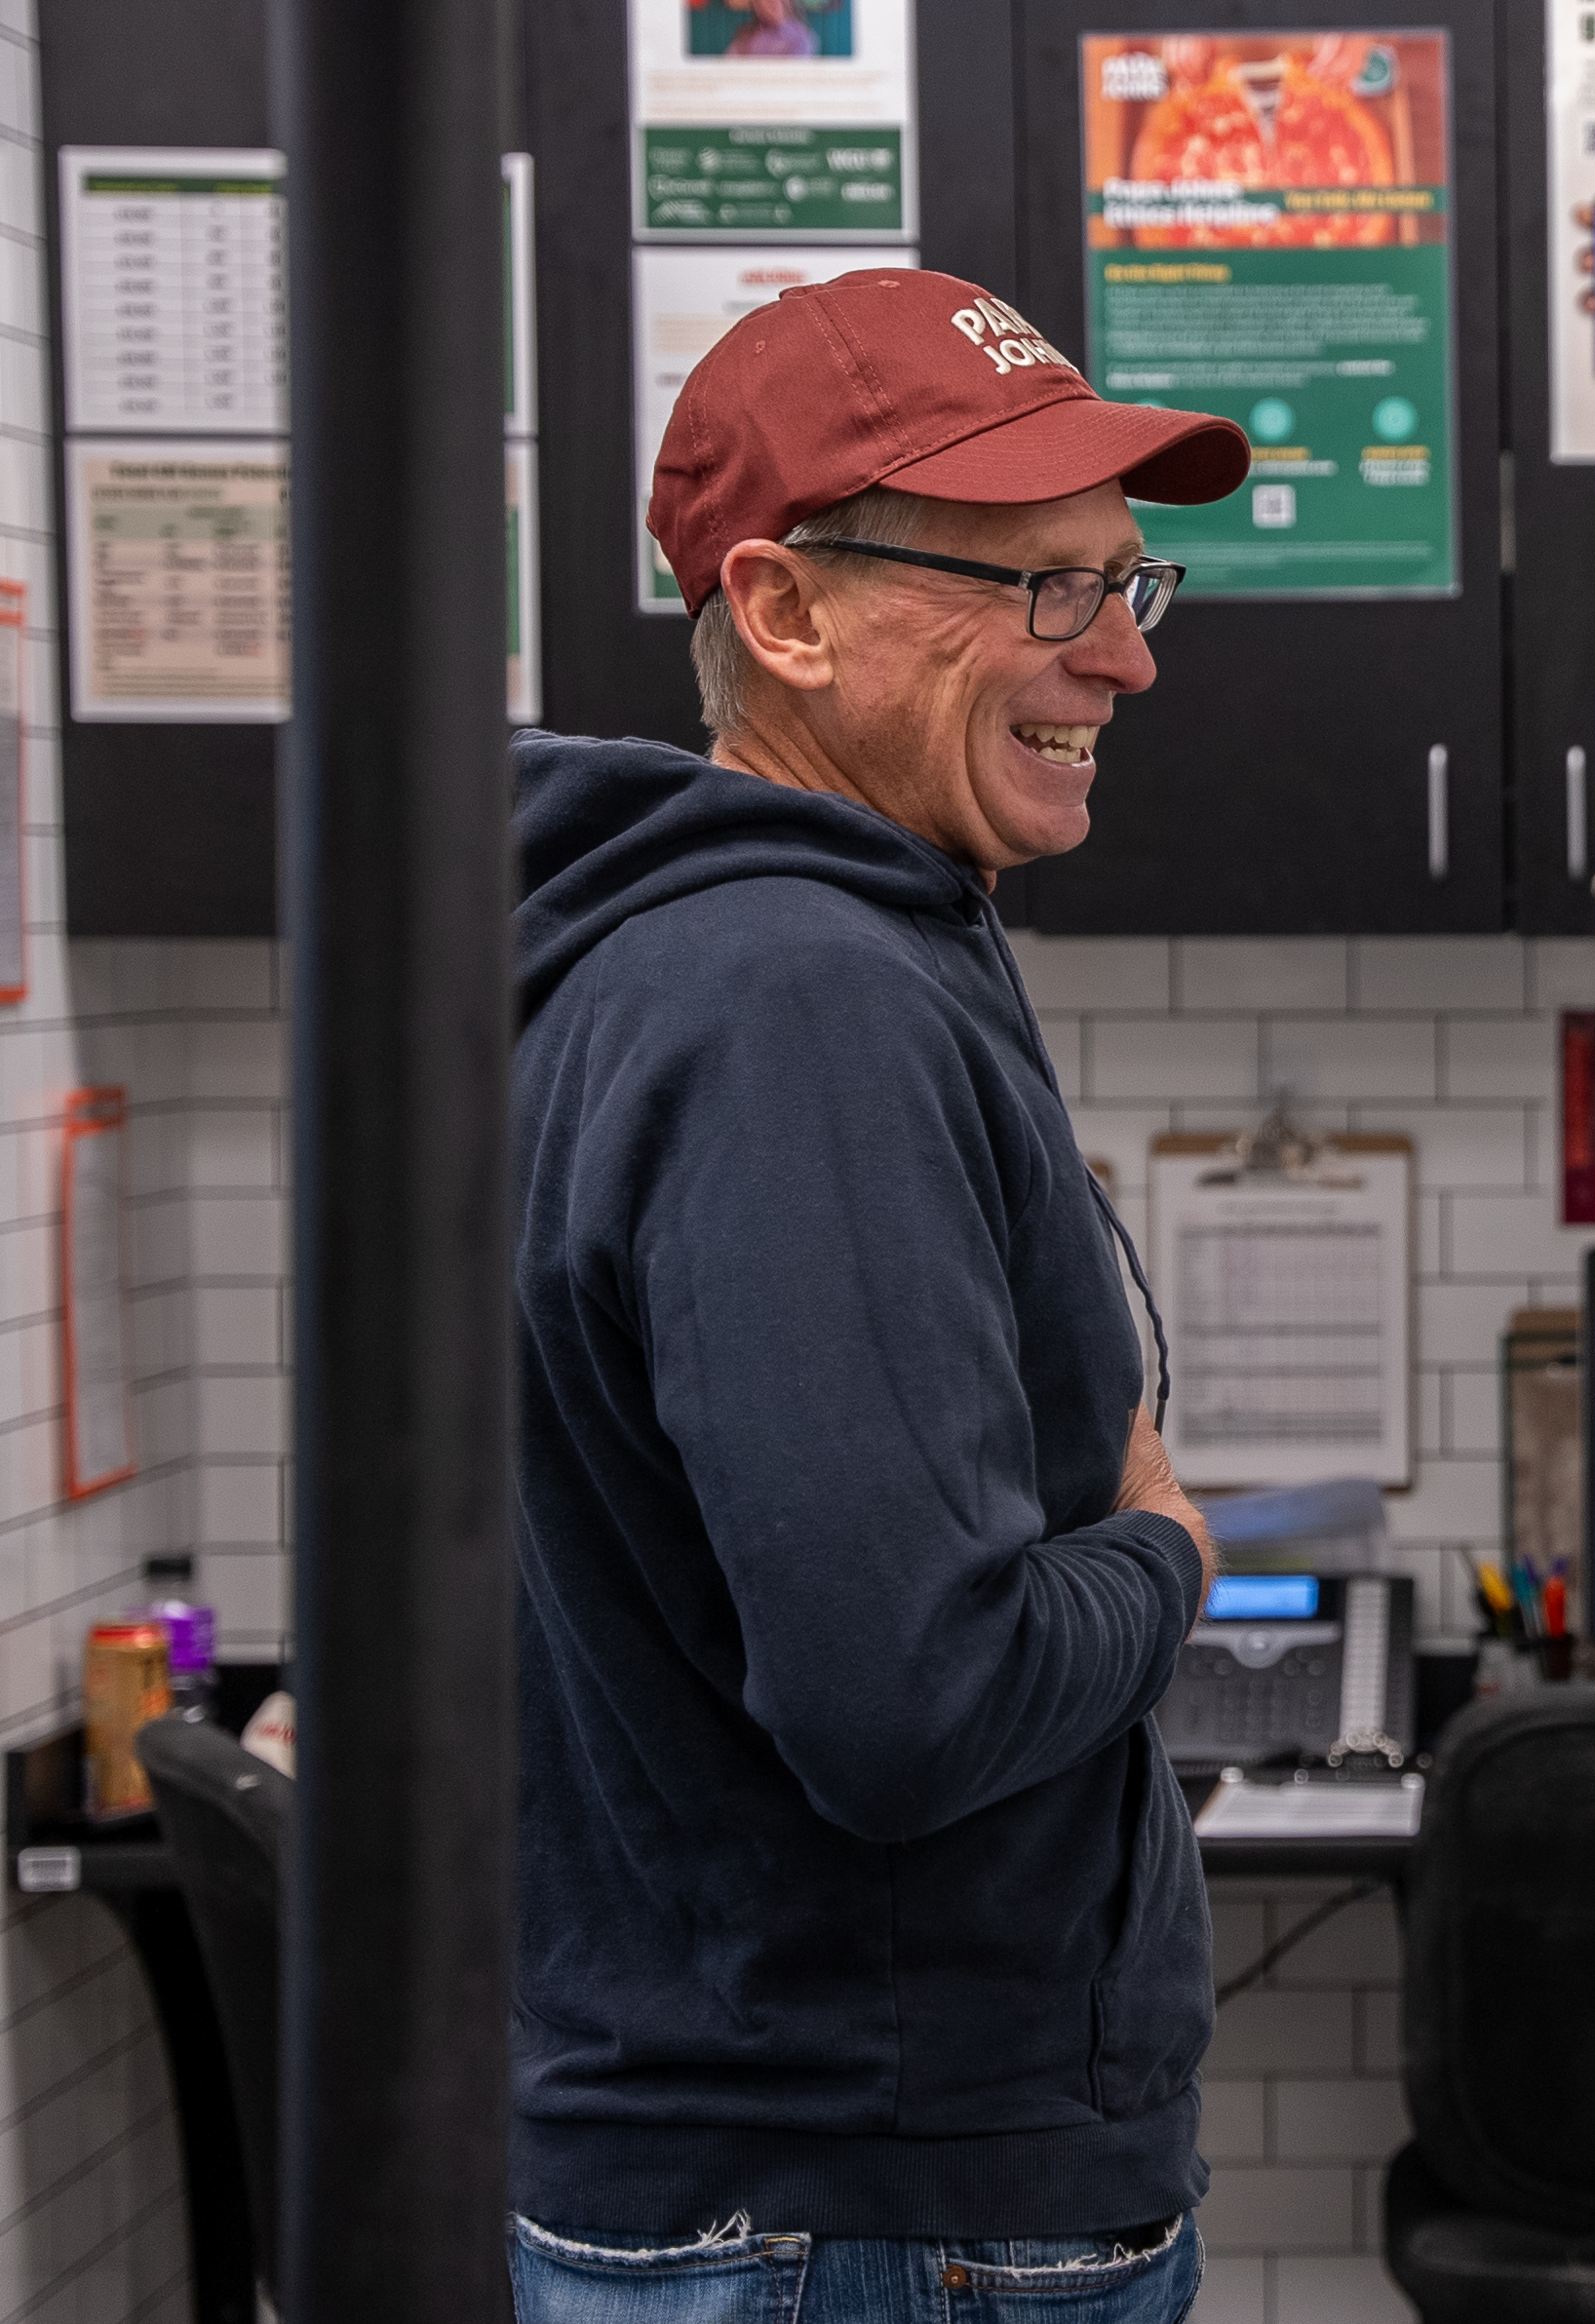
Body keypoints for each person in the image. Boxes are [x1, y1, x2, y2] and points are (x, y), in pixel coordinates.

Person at [501, 267, 1248, 2323]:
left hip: (803, 2175)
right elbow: (904, 1702)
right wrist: (1167, 1554)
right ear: (786, 610)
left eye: (1126, 583)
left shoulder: (777, 952)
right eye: (1039, 591)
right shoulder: (794, 1003)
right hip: (862, 2213)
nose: (1119, 658)